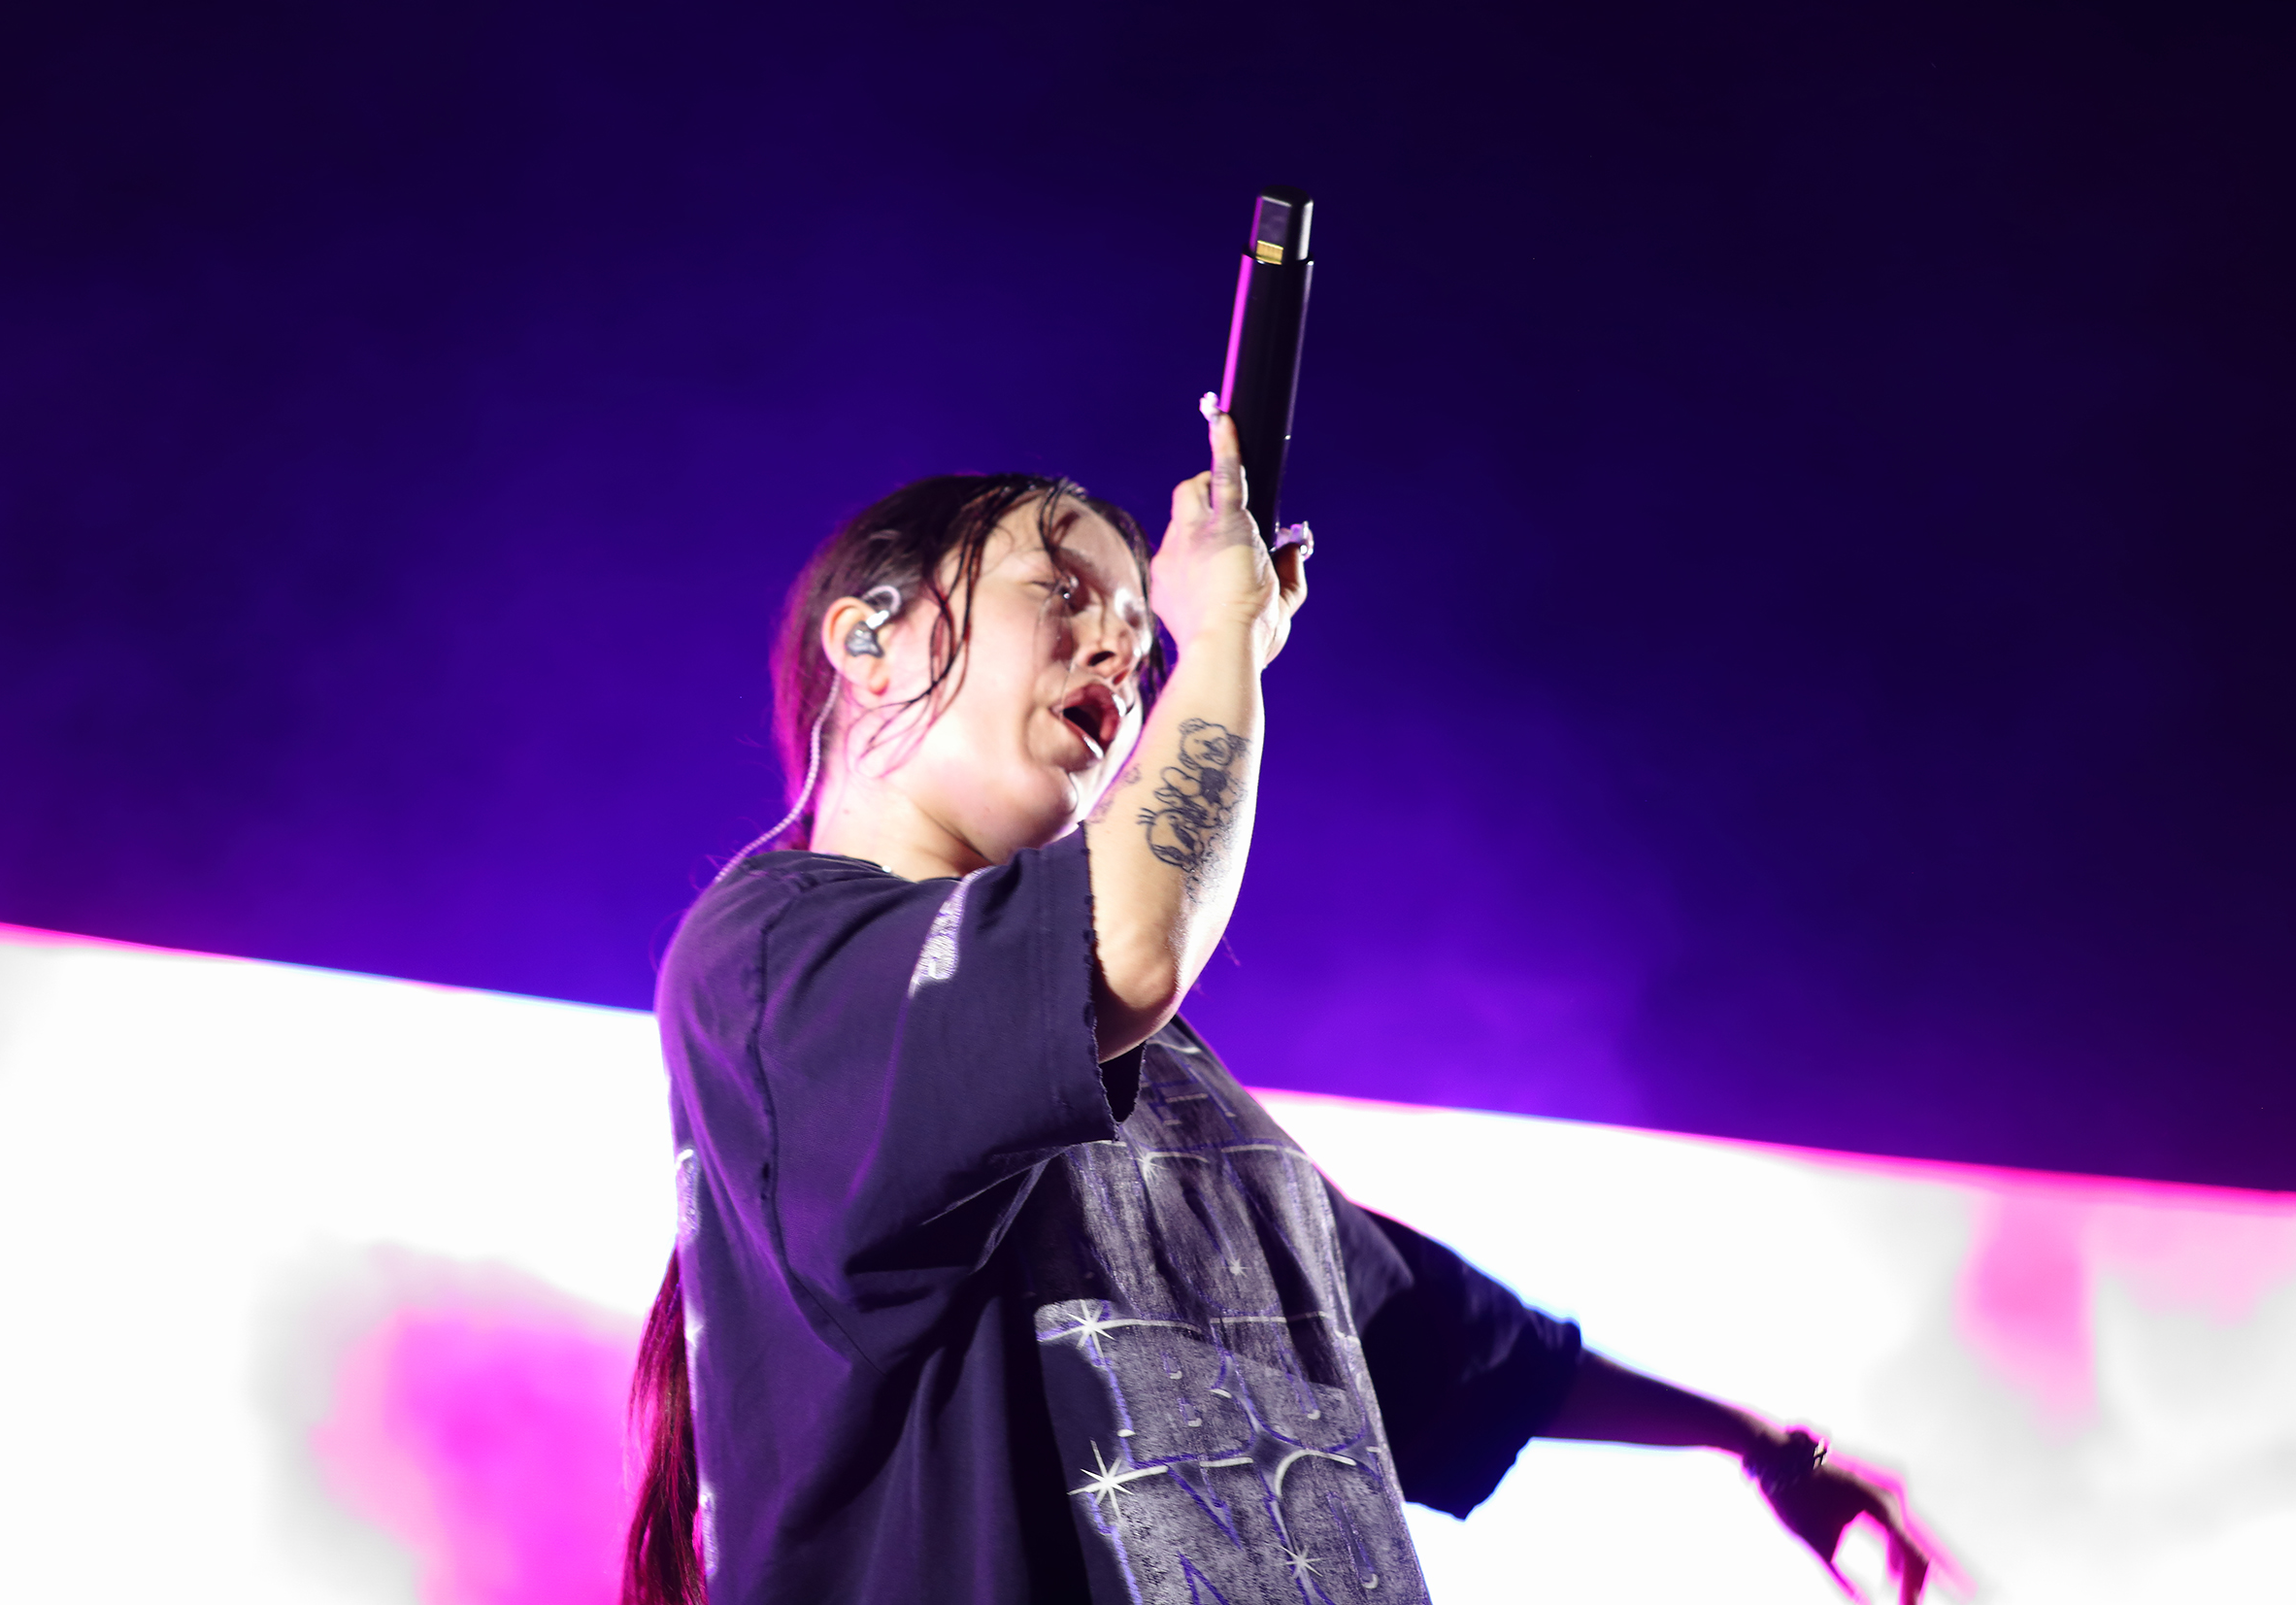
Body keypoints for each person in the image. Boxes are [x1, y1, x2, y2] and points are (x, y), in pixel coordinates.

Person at [623, 402, 1943, 1605]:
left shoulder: (1147, 1068)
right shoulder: (771, 953)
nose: (1121, 649)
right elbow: (1129, 945)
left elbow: (1423, 1334)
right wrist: (1222, 646)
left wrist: (1756, 1444)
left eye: (1143, 635)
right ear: (869, 636)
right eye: (1062, 591)